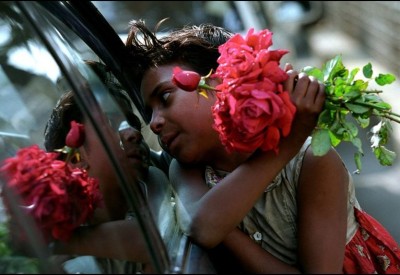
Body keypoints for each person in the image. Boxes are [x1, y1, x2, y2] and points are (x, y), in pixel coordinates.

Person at [124, 21, 400, 273]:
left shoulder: (312, 161)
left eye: (165, 97)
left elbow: (206, 227)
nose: (154, 123)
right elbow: (203, 227)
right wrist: (284, 146)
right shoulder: (186, 168)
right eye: (149, 113)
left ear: (226, 84)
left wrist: (290, 145)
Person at [43, 61, 174, 273]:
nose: (134, 133)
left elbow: (150, 240)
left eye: (132, 123)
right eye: (112, 124)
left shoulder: (157, 177)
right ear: (75, 160)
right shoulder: (75, 265)